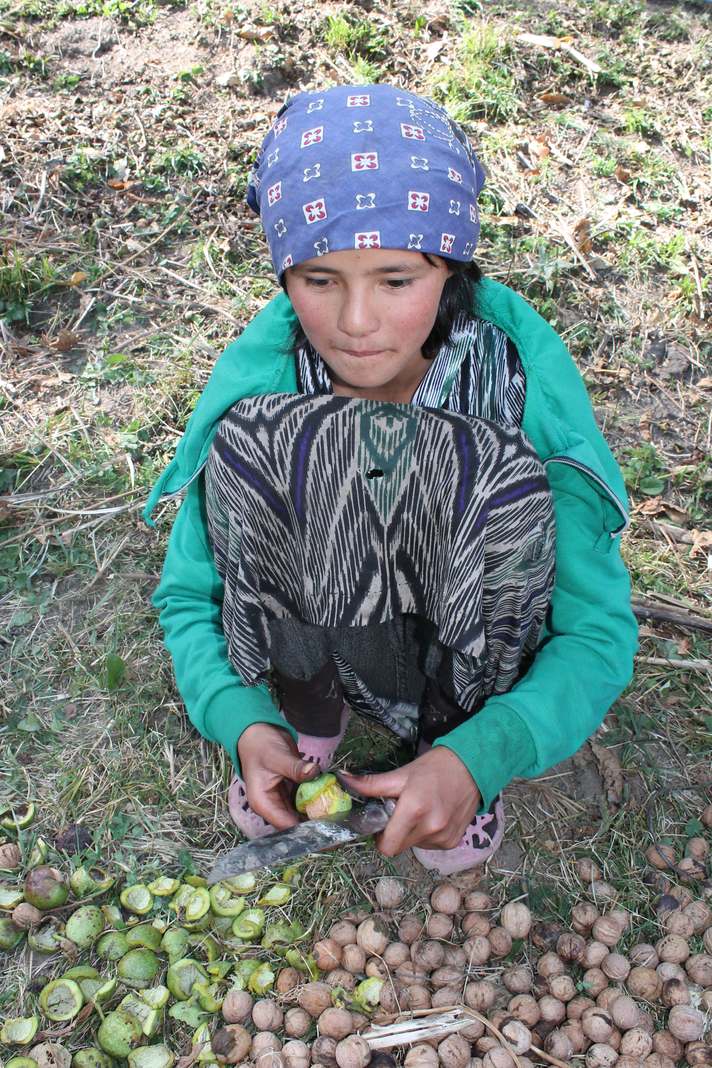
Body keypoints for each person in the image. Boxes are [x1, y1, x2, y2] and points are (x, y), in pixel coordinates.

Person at [145, 84, 638, 875]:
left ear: (452, 267)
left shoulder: (518, 396)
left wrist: (486, 752)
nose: (356, 322)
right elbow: (186, 591)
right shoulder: (264, 385)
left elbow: (598, 634)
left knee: (484, 469)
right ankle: (308, 712)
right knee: (264, 446)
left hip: (468, 644)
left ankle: (451, 746)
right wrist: (240, 716)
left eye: (397, 280)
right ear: (283, 274)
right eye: (319, 279)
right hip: (320, 625)